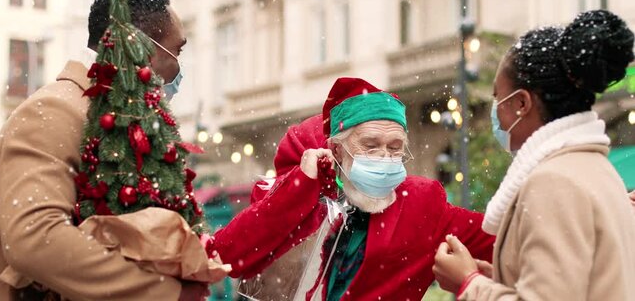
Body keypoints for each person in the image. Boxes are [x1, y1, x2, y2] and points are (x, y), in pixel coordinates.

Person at [0, 0, 207, 300]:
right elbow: (34, 239)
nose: (179, 71)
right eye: (176, 52)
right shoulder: (55, 110)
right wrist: (166, 293)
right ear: (139, 46)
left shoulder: (119, 118)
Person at [208, 77, 496, 300]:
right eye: (370, 146)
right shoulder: (299, 187)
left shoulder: (422, 204)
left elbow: (504, 239)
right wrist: (301, 189)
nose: (385, 157)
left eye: (395, 149)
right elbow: (224, 258)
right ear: (336, 149)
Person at [433, 10, 635, 300]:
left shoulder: (553, 182)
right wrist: (500, 278)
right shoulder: (595, 170)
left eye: (496, 99)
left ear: (521, 104)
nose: (495, 115)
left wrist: (469, 283)